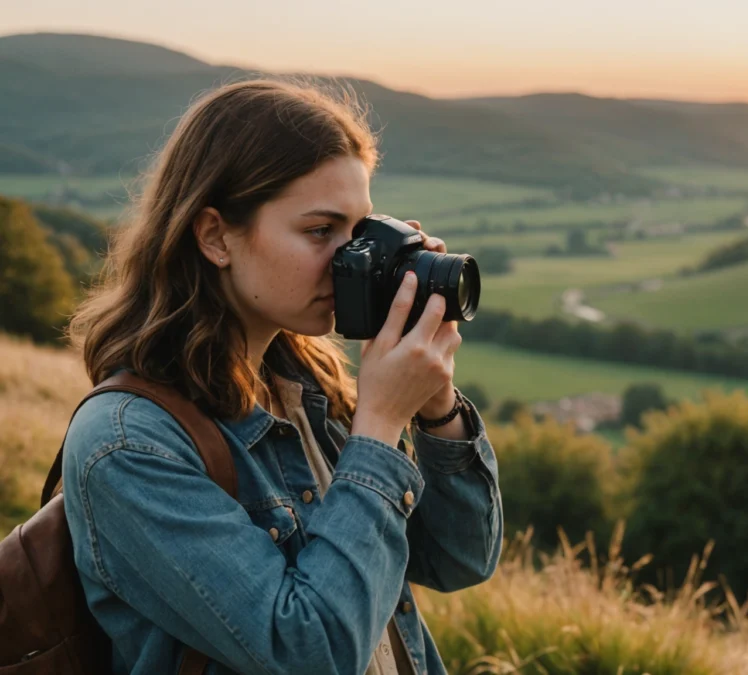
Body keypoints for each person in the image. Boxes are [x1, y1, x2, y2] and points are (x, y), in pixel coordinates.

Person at [62, 78, 503, 674]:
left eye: (359, 231)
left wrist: (435, 406)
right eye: (320, 231)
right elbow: (307, 651)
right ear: (216, 236)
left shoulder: (305, 380)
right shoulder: (130, 442)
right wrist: (377, 428)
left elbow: (458, 559)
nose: (350, 260)